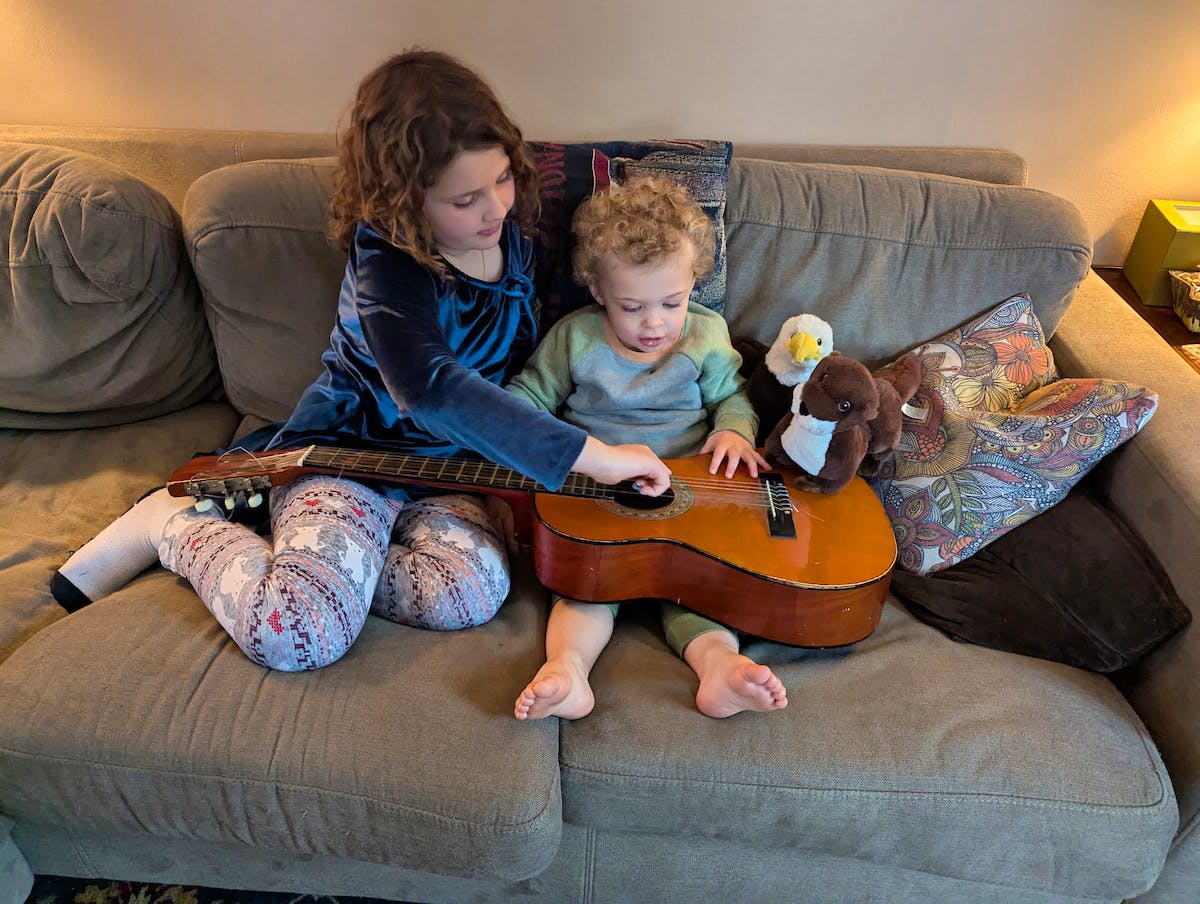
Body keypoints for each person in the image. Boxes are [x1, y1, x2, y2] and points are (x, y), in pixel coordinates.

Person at [51, 49, 670, 672]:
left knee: (472, 593)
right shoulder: (387, 257)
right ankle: (170, 525)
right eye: (464, 199)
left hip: (447, 471)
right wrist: (596, 457)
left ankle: (330, 564)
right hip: (348, 456)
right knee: (297, 635)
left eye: (503, 178)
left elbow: (515, 374)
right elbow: (429, 387)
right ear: (404, 201)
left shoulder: (509, 235)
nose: (496, 209)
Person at [509, 175, 788, 720]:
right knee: (584, 589)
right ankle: (567, 670)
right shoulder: (575, 338)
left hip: (691, 498)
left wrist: (734, 431)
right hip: (597, 498)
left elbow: (733, 397)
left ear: (694, 283)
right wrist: (553, 443)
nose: (655, 323)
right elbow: (525, 400)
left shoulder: (705, 335)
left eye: (672, 302)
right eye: (632, 306)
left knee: (704, 586)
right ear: (598, 292)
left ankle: (720, 668)